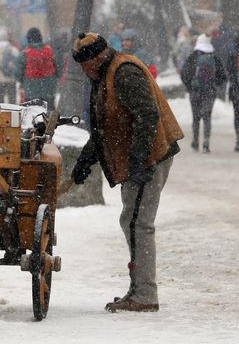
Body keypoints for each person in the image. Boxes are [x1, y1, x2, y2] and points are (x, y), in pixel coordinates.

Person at [70, 32, 183, 313]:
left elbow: (147, 115)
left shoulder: (123, 73)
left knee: (138, 223)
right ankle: (139, 289)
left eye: (85, 65)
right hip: (140, 158)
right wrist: (85, 160)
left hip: (149, 158)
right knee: (132, 221)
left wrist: (138, 161)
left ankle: (145, 294)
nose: (84, 71)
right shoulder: (104, 76)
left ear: (97, 57)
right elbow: (104, 126)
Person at [180, 34, 227, 153]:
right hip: (209, 92)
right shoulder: (214, 57)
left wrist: (190, 86)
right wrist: (213, 84)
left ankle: (195, 141)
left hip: (195, 92)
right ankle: (206, 142)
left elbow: (184, 74)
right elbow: (222, 76)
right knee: (207, 118)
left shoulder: (193, 57)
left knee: (195, 118)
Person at [15, 27, 58, 109]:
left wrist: (21, 80)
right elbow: (57, 67)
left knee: (32, 114)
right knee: (49, 114)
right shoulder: (50, 51)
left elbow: (18, 72)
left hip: (31, 90)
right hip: (49, 89)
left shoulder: (25, 53)